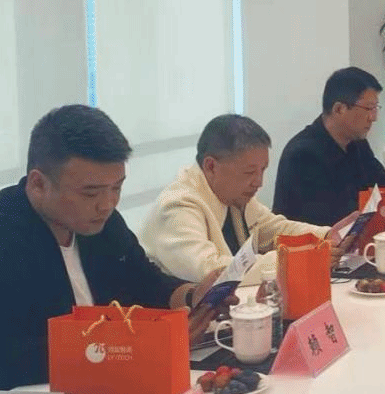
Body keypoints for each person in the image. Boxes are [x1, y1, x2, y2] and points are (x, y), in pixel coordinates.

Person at [0, 105, 233, 394]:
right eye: (90, 192)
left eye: (117, 188)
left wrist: (192, 295)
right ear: (38, 184)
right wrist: (144, 350)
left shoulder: (99, 224)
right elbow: (3, 360)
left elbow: (144, 281)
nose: (107, 204)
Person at [140, 114, 341, 284]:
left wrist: (326, 235)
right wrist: (299, 260)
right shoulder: (177, 206)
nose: (259, 182)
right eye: (249, 172)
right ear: (211, 166)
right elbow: (212, 271)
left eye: (263, 170)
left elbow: (273, 229)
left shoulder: (234, 194)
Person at [272, 67, 385, 226]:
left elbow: (384, 184)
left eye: (376, 108)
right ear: (339, 109)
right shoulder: (303, 155)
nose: (373, 118)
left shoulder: (357, 143)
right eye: (369, 108)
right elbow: (324, 221)